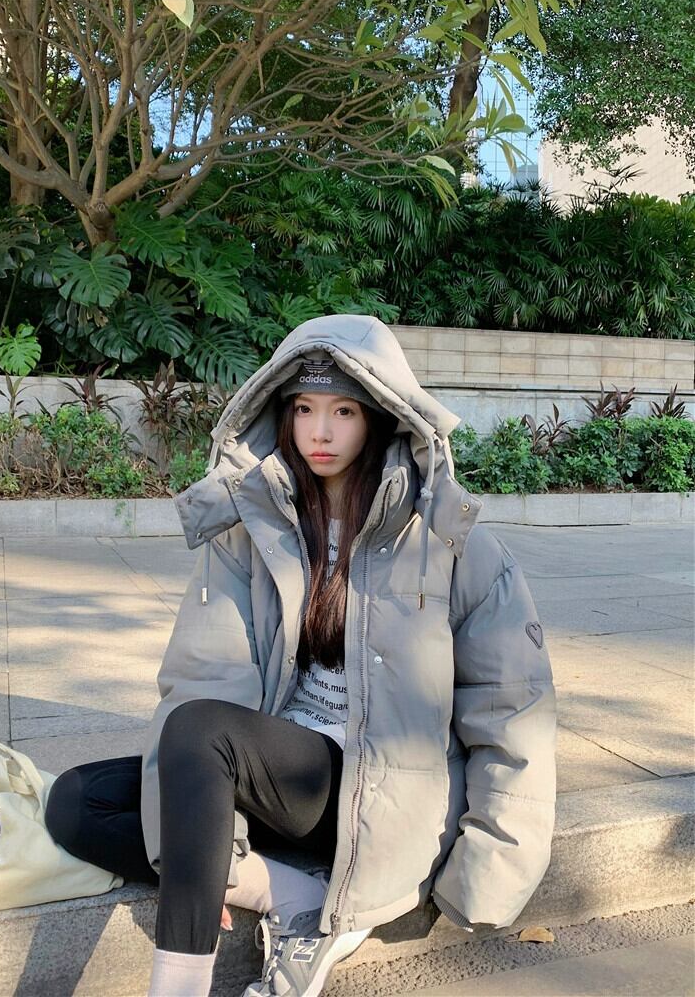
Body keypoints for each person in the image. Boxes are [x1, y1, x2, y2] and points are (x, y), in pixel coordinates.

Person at [45, 314, 557, 997]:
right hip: (279, 773)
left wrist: (489, 867)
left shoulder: (450, 543)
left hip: (383, 792)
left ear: (380, 418)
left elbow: (511, 708)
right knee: (78, 802)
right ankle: (292, 895)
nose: (321, 431)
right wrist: (210, 848)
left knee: (199, 731)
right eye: (304, 409)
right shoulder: (252, 532)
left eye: (344, 411)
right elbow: (205, 674)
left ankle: (177, 986)